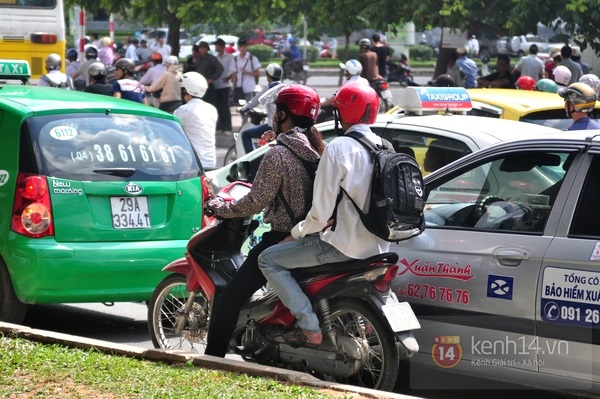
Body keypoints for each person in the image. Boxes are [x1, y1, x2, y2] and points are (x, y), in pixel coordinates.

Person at [257, 82, 388, 347]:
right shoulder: (384, 146)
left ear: (342, 114)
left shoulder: (339, 148)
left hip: (342, 247)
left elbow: (320, 213)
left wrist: (295, 234)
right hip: (379, 247)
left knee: (268, 260)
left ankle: (308, 326)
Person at [204, 84, 325, 358]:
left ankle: (212, 360)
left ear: (283, 114)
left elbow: (255, 201)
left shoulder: (278, 154)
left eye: (276, 111)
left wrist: (221, 209)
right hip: (309, 236)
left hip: (279, 237)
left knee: (229, 298)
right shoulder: (316, 147)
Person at [173, 72, 218, 169]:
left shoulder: (183, 110)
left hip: (193, 163)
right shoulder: (211, 109)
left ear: (186, 90)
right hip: (210, 161)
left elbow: (169, 133)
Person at [239, 63, 283, 153]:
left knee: (245, 134)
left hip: (272, 127)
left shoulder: (269, 88)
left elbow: (254, 101)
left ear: (268, 76)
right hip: (283, 126)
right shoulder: (284, 87)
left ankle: (250, 162)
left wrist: (243, 109)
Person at [230, 38, 261, 126]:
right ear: (238, 47)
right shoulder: (235, 59)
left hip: (249, 87)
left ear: (246, 47)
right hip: (239, 87)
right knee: (242, 107)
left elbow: (257, 73)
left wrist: (246, 72)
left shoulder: (252, 58)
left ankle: (247, 124)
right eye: (241, 46)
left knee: (249, 107)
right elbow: (234, 74)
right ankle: (244, 124)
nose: (242, 48)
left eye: (244, 46)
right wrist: (233, 87)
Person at [213, 38, 235, 135]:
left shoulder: (230, 57)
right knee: (218, 107)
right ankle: (220, 127)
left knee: (225, 106)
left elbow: (234, 70)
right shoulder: (215, 57)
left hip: (225, 85)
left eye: (217, 45)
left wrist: (229, 77)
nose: (216, 47)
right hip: (216, 84)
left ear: (222, 46)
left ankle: (228, 128)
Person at [192, 41, 224, 106]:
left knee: (209, 104)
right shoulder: (196, 59)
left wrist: (212, 79)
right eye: (200, 48)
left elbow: (220, 69)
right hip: (197, 85)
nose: (202, 50)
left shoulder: (211, 59)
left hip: (208, 85)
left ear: (207, 49)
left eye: (204, 48)